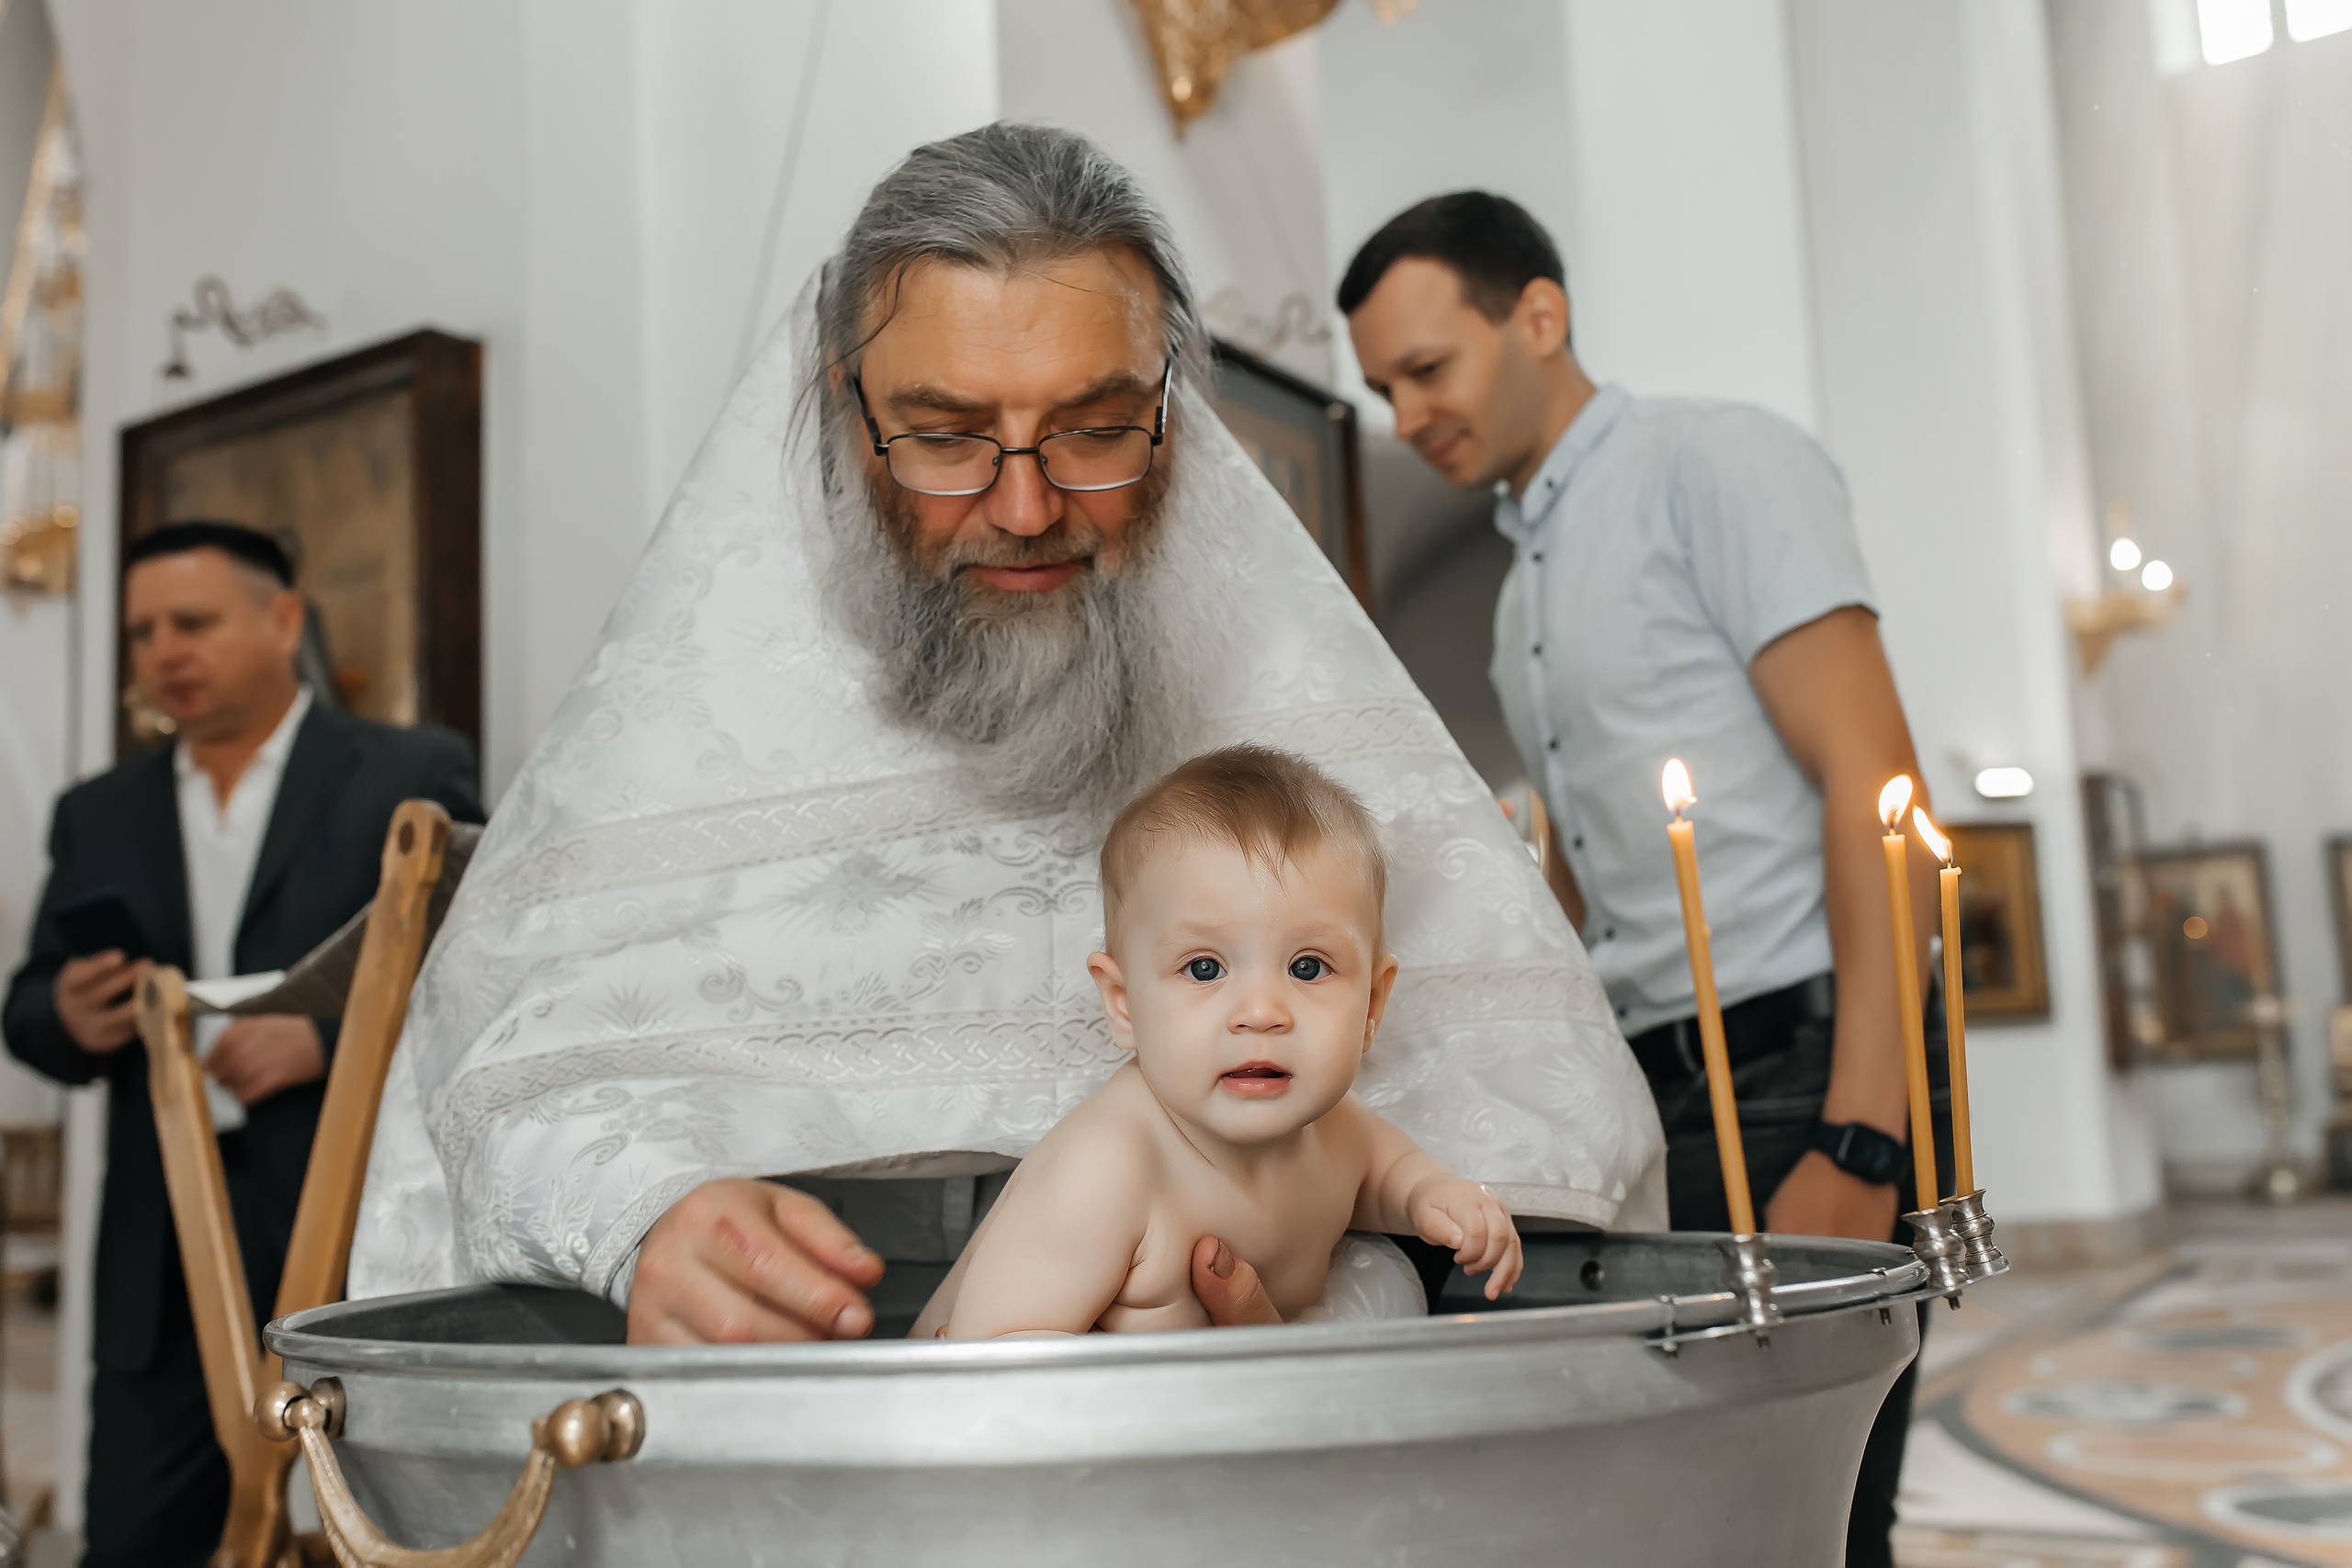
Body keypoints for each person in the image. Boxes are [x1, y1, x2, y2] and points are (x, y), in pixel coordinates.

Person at [347, 124, 1664, 1348]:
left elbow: (1522, 1145)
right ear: (847, 412)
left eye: (1096, 430)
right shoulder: (696, 710)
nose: (1027, 506)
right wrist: (644, 1221)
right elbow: (496, 1069)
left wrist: (1325, 1298)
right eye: (944, 435)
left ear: (1171, 413)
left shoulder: (1286, 699)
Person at [1338, 192, 1948, 1568]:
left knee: (1821, 1517)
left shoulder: (1711, 463)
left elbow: (1877, 780)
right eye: (1383, 391)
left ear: (1538, 316)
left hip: (1803, 1065)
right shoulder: (1519, 594)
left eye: (1427, 368)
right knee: (1703, 1519)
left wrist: (1862, 1135)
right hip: (1657, 1088)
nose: (1408, 414)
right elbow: (1583, 886)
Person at [3, 521, 483, 1568]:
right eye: (142, 633)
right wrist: (67, 1013)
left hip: (353, 1224)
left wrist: (326, 1039)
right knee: (136, 1539)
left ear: (281, 620)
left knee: (385, 1535)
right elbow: (29, 1006)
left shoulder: (407, 772)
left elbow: (481, 976)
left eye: (193, 622)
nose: (164, 651)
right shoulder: (98, 811)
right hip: (162, 1246)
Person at [922, 745, 1521, 1339]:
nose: (1261, 1013)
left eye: (1308, 967)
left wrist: (1436, 1196)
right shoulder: (1104, 1170)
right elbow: (994, 1356)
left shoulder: (1340, 1133)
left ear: (1370, 1005)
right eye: (1204, 968)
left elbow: (1387, 1176)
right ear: (1124, 1003)